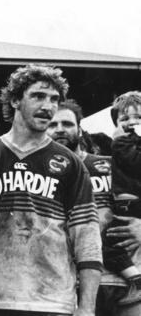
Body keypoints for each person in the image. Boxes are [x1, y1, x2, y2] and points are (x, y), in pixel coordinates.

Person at [0, 64, 102, 315]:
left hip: (53, 300)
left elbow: (88, 239)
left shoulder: (70, 163)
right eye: (38, 96)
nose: (48, 106)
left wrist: (87, 308)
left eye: (54, 99)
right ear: (15, 99)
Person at [47, 99, 141, 314]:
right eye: (52, 124)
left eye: (67, 124)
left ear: (80, 129)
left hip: (127, 282)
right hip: (68, 284)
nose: (60, 129)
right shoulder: (39, 175)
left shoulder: (110, 163)